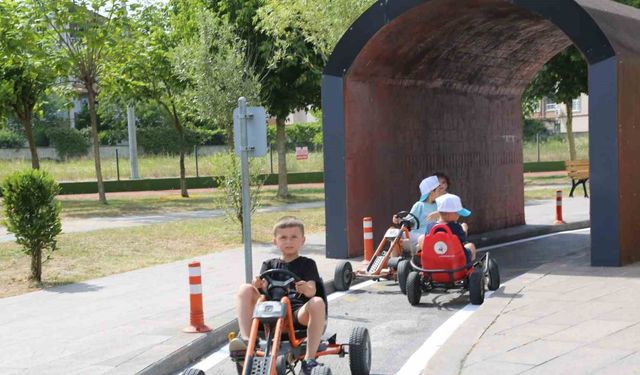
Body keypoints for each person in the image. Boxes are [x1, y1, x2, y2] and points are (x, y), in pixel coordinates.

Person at [230, 216, 326, 375]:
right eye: (283, 237)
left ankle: (309, 360)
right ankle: (247, 342)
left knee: (316, 302)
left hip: (295, 315)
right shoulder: (268, 264)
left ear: (302, 240)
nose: (289, 241)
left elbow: (312, 290)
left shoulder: (307, 264)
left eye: (294, 237)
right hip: (268, 313)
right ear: (275, 241)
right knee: (245, 288)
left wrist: (305, 288)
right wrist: (257, 285)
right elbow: (260, 291)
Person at [392, 175, 445, 255]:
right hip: (416, 234)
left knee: (426, 238)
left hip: (431, 235)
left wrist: (439, 213)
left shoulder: (439, 205)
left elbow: (447, 216)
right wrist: (398, 220)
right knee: (393, 234)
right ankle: (393, 261)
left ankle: (416, 249)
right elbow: (409, 220)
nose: (441, 191)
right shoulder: (419, 205)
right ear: (431, 192)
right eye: (439, 189)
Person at [420, 193, 476, 263]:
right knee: (470, 246)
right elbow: (463, 239)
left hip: (435, 261)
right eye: (457, 213)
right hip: (455, 261)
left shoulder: (430, 226)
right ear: (450, 213)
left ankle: (424, 260)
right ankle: (467, 268)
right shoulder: (456, 227)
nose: (458, 215)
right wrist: (464, 229)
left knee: (422, 238)